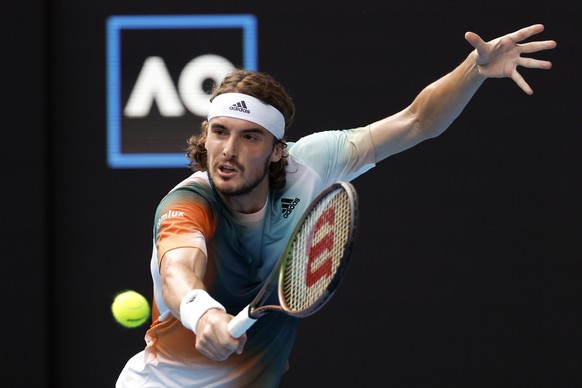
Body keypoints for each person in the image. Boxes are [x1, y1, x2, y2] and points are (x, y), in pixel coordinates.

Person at [116, 24, 556, 387]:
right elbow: (178, 268)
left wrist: (473, 71)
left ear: (275, 150)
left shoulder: (309, 165)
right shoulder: (188, 200)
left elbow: (417, 120)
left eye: (249, 136)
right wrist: (203, 311)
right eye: (219, 131)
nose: (227, 150)